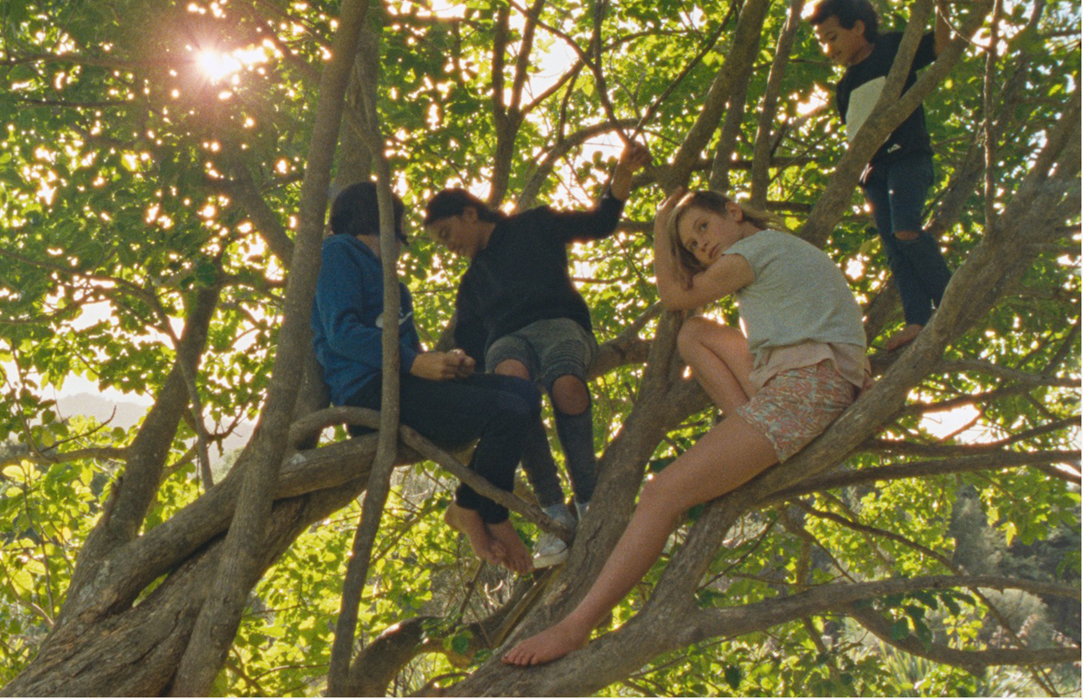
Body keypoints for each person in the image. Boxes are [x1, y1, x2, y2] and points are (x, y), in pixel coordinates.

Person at [503, 189, 870, 666]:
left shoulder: (751, 251)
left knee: (660, 494)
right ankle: (747, 426)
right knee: (694, 334)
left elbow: (676, 296)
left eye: (702, 227)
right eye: (692, 246)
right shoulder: (779, 248)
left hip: (808, 387)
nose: (702, 246)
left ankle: (575, 627)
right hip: (803, 373)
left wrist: (661, 226)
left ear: (734, 212)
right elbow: (689, 315)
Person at [312, 180, 565, 574]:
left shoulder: (397, 289)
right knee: (506, 411)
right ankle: (492, 514)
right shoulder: (340, 252)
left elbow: (413, 356)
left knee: (524, 395)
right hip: (368, 393)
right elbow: (341, 332)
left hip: (408, 386)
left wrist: (446, 363)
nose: (402, 244)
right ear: (377, 225)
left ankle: (466, 506)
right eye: (399, 232)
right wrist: (416, 365)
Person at [423, 143, 652, 567]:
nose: (447, 246)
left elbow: (600, 222)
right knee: (512, 389)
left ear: (469, 214)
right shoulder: (471, 284)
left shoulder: (536, 224)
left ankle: (588, 496)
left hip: (561, 324)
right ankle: (552, 509)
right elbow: (469, 347)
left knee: (567, 384)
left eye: (446, 234)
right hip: (507, 341)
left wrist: (621, 177)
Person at [809, 0, 955, 351]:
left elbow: (941, 45)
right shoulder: (844, 87)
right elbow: (856, 135)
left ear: (857, 27)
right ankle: (917, 320)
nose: (828, 50)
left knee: (906, 229)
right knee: (894, 248)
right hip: (874, 173)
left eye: (832, 37)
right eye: (822, 42)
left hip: (907, 157)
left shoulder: (892, 47)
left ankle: (952, 298)